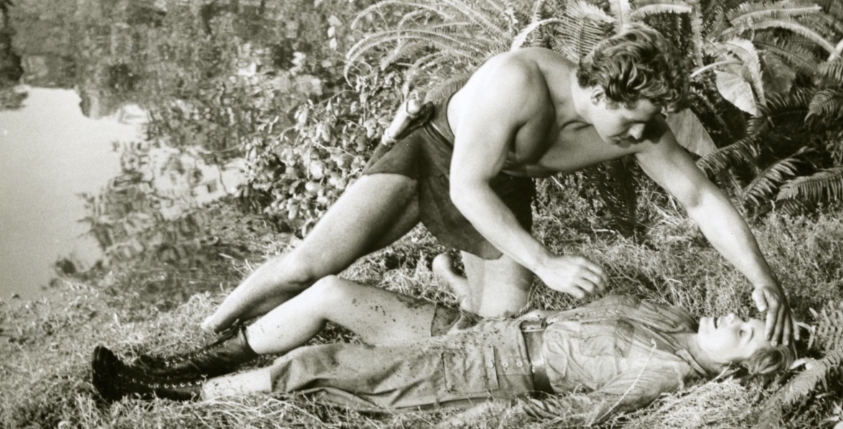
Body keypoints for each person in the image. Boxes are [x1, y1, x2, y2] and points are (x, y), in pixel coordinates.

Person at [199, 24, 795, 362]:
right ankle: (211, 328)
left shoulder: (638, 128)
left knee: (495, 333)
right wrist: (545, 262)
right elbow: (464, 185)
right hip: (434, 153)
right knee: (309, 265)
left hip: (497, 184)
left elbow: (700, 199)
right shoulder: (519, 81)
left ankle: (455, 282)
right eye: (633, 123)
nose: (642, 137)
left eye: (647, 125)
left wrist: (762, 278)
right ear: (597, 93)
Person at [91, 274, 793, 416]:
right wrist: (461, 292)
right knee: (332, 292)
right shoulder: (672, 317)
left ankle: (157, 393)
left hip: (488, 369)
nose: (734, 314)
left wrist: (490, 406)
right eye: (746, 312)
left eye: (745, 329)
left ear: (744, 365)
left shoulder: (668, 372)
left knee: (313, 363)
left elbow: (579, 407)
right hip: (482, 332)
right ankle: (176, 363)